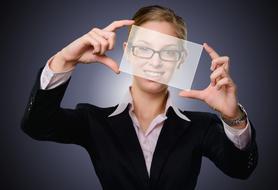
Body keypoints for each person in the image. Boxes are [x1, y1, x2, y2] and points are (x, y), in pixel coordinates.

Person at [21, 5, 258, 190]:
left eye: (168, 51)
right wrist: (65, 59)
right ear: (128, 52)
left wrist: (232, 116)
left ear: (181, 59)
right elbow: (37, 125)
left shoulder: (201, 127)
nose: (155, 61)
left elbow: (240, 169)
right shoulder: (93, 121)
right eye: (144, 48)